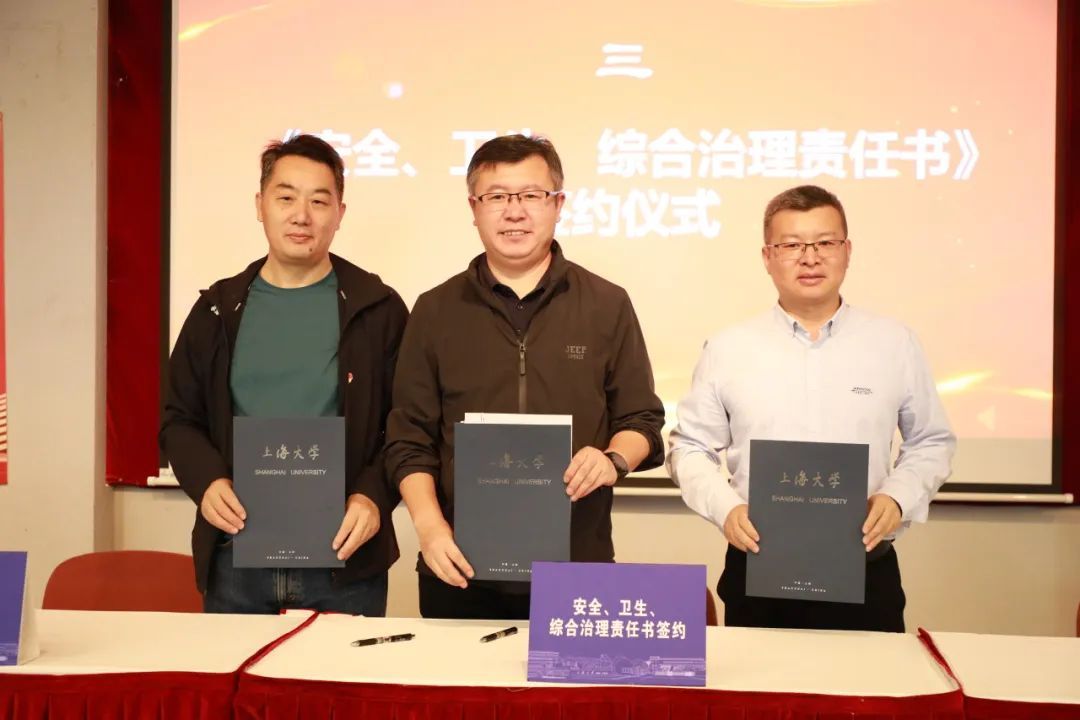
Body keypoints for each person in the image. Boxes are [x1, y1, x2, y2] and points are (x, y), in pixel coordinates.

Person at [386, 134, 665, 619]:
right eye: (497, 196)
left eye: (532, 195)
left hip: (577, 564)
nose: (514, 212)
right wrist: (429, 529)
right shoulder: (434, 310)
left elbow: (642, 420)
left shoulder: (606, 304)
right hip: (459, 567)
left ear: (558, 204)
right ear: (474, 208)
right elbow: (408, 439)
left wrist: (613, 459)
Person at [668, 184, 955, 632]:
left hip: (865, 567)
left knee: (870, 680)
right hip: (758, 565)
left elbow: (931, 441)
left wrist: (898, 498)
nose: (810, 258)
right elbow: (688, 448)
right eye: (791, 245)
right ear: (767, 257)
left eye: (825, 243)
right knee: (758, 681)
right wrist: (727, 509)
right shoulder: (728, 348)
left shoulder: (893, 343)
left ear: (847, 251)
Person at [161, 133, 407, 614]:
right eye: (286, 198)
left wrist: (372, 497)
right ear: (260, 205)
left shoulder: (378, 310)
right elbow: (178, 418)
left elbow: (404, 426)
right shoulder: (217, 310)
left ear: (340, 213)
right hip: (236, 554)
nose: (302, 215)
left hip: (345, 557)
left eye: (319, 201)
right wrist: (208, 481)